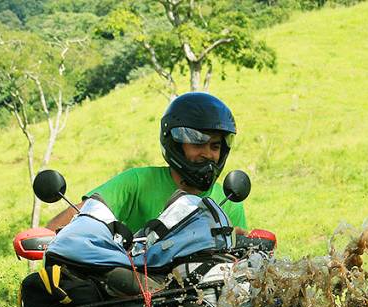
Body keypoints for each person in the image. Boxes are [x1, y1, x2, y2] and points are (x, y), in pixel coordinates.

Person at [46, 91, 246, 232]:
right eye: (197, 144)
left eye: (215, 146)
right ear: (175, 145)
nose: (207, 154)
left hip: (202, 290)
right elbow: (82, 213)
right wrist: (47, 235)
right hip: (133, 285)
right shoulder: (137, 182)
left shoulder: (228, 200)